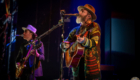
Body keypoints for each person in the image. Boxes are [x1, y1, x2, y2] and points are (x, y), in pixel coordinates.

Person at [60, 4, 101, 80]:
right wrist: (64, 46)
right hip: (76, 69)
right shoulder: (75, 30)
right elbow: (65, 42)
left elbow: (94, 42)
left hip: (90, 69)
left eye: (82, 11)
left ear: (89, 16)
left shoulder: (94, 26)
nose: (79, 13)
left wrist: (84, 40)